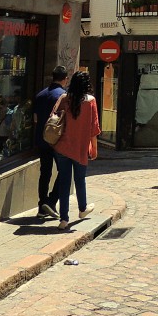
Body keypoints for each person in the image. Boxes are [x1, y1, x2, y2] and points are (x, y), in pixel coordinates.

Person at [52, 71, 100, 230]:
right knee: (80, 179)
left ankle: (63, 219)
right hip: (81, 147)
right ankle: (82, 208)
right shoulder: (91, 101)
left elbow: (54, 117)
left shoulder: (65, 98)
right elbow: (94, 129)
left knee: (64, 182)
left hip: (63, 146)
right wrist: (94, 148)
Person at [33, 65, 68, 218]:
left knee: (45, 172)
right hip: (57, 141)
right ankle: (51, 201)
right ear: (65, 79)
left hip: (41, 139)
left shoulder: (40, 95)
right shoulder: (63, 96)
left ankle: (42, 206)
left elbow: (35, 119)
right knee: (65, 171)